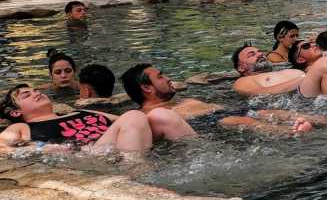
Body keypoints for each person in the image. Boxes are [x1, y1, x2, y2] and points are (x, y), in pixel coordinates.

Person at [0, 85, 156, 157]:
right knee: (134, 115)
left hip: (118, 144)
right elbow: (2, 146)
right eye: (27, 95)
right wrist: (43, 148)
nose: (36, 93)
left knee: (162, 116)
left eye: (36, 90)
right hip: (90, 153)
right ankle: (138, 173)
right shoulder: (22, 126)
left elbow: (135, 122)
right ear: (16, 112)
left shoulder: (81, 112)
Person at [121, 64, 218, 130]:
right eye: (160, 77)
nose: (168, 78)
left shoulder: (178, 103)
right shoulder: (148, 118)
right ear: (146, 88)